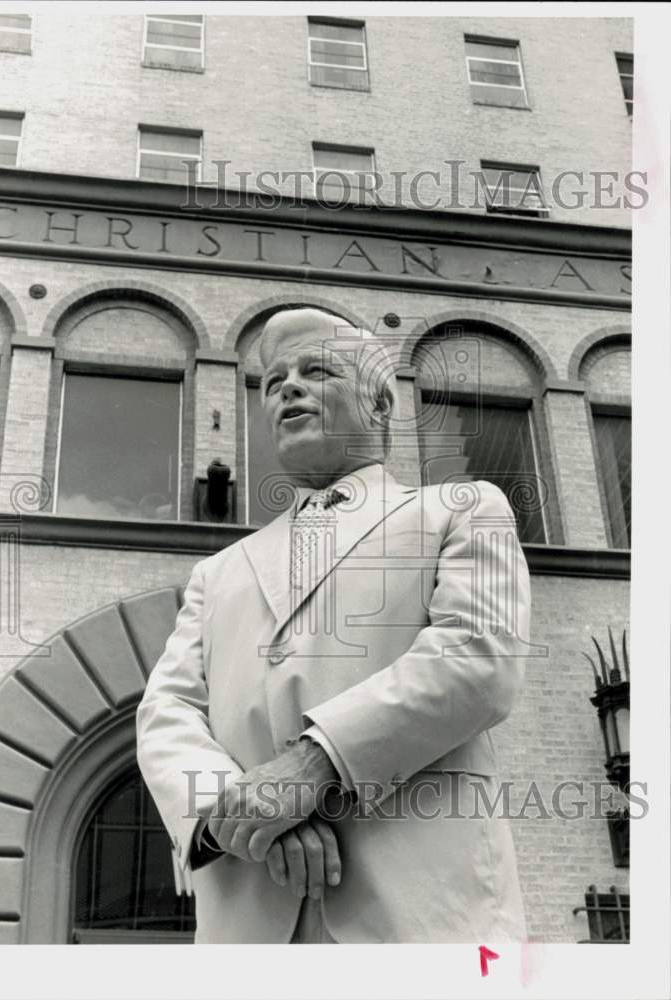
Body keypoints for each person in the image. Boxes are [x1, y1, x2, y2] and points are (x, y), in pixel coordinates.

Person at [137, 307, 531, 943]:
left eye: (316, 370)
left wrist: (313, 768)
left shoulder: (461, 510)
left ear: (378, 404)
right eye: (273, 381)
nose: (287, 386)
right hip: (250, 923)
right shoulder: (217, 572)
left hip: (419, 922)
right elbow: (167, 712)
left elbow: (475, 658)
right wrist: (238, 809)